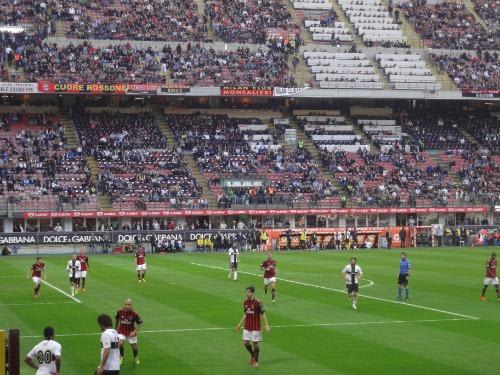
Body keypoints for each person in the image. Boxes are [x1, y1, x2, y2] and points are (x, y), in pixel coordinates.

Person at [236, 286, 270, 368]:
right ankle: (253, 356)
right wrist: (240, 324)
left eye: (248, 292)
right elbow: (245, 314)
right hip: (247, 326)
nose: (247, 294)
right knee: (245, 342)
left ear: (253, 293)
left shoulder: (258, 302)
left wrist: (267, 325)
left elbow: (263, 313)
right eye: (246, 292)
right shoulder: (245, 302)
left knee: (255, 344)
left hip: (255, 327)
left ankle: (256, 361)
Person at [115, 299, 142, 365]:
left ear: (131, 305)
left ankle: (135, 357)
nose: (127, 306)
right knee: (120, 344)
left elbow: (139, 323)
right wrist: (116, 328)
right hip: (121, 330)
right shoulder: (119, 311)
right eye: (126, 304)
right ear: (124, 305)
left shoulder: (135, 313)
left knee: (134, 347)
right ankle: (122, 356)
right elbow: (117, 319)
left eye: (129, 304)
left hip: (131, 332)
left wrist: (134, 331)